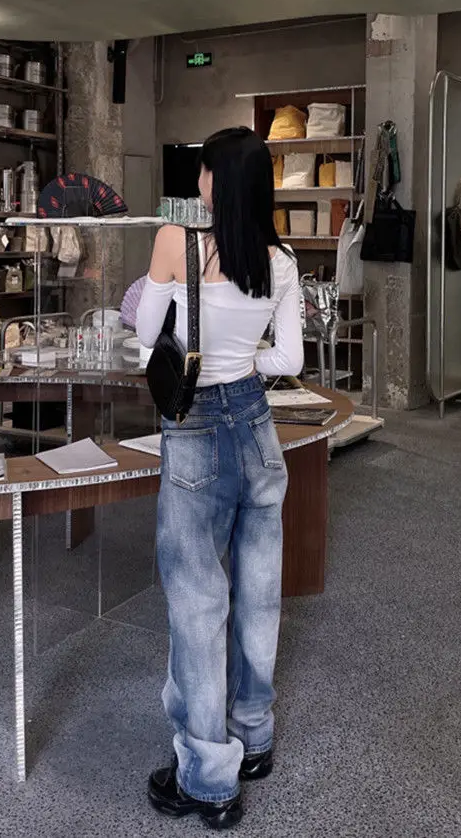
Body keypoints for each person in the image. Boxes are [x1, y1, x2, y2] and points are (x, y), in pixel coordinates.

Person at [135, 126, 304, 830]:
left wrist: (210, 358)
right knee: (258, 590)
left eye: (203, 171)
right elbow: (289, 358)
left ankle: (208, 779)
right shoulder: (282, 261)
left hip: (197, 429)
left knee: (198, 602)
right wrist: (241, 363)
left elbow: (148, 339)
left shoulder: (178, 242)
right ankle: (253, 736)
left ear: (212, 181)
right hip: (257, 428)